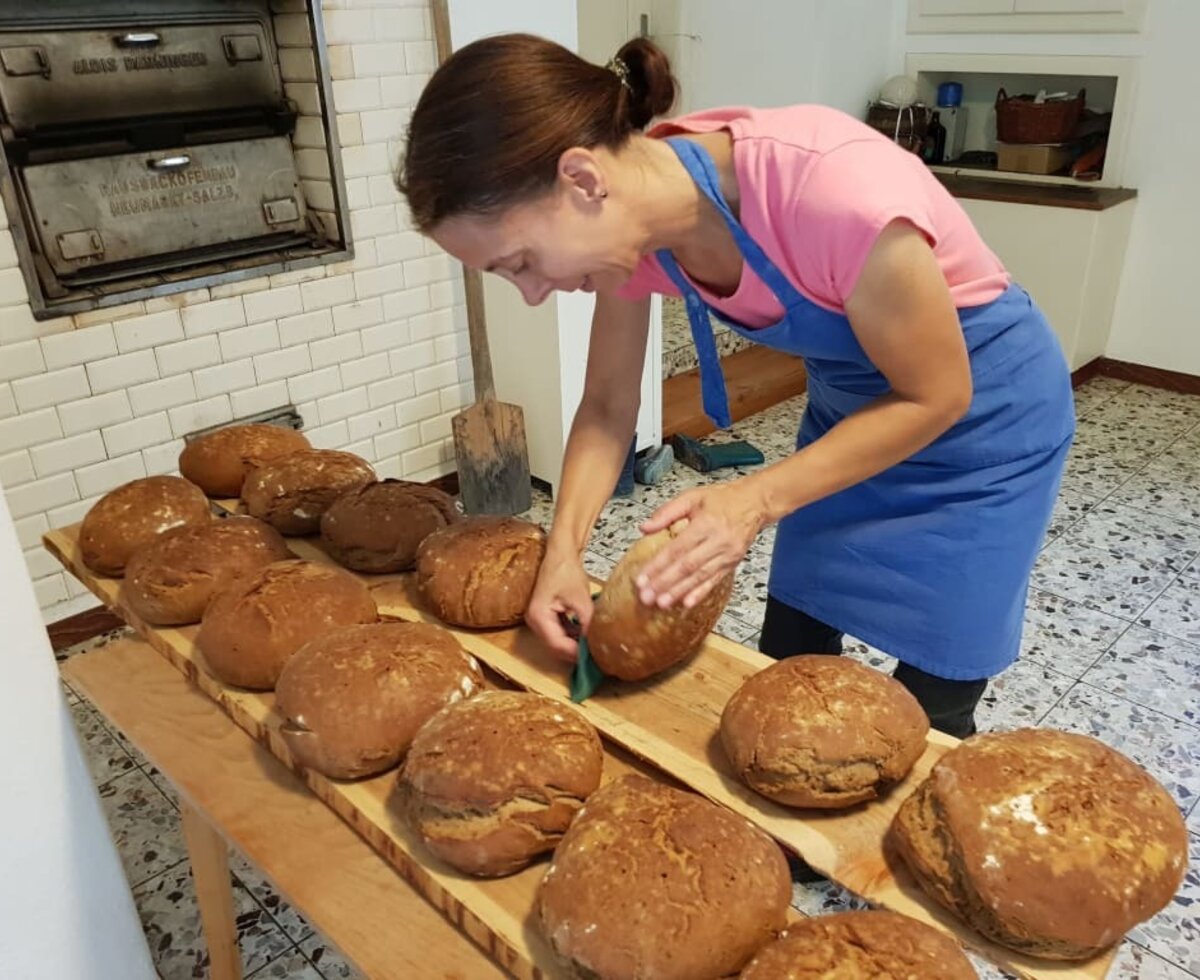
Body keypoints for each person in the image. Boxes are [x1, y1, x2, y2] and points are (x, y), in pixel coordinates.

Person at [397, 34, 1074, 737]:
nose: (533, 294)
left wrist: (752, 499)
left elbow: (935, 396)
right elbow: (606, 406)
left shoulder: (834, 193)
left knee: (930, 702)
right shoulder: (638, 226)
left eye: (522, 263)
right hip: (855, 422)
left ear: (582, 181)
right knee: (785, 664)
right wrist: (563, 552)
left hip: (983, 432)